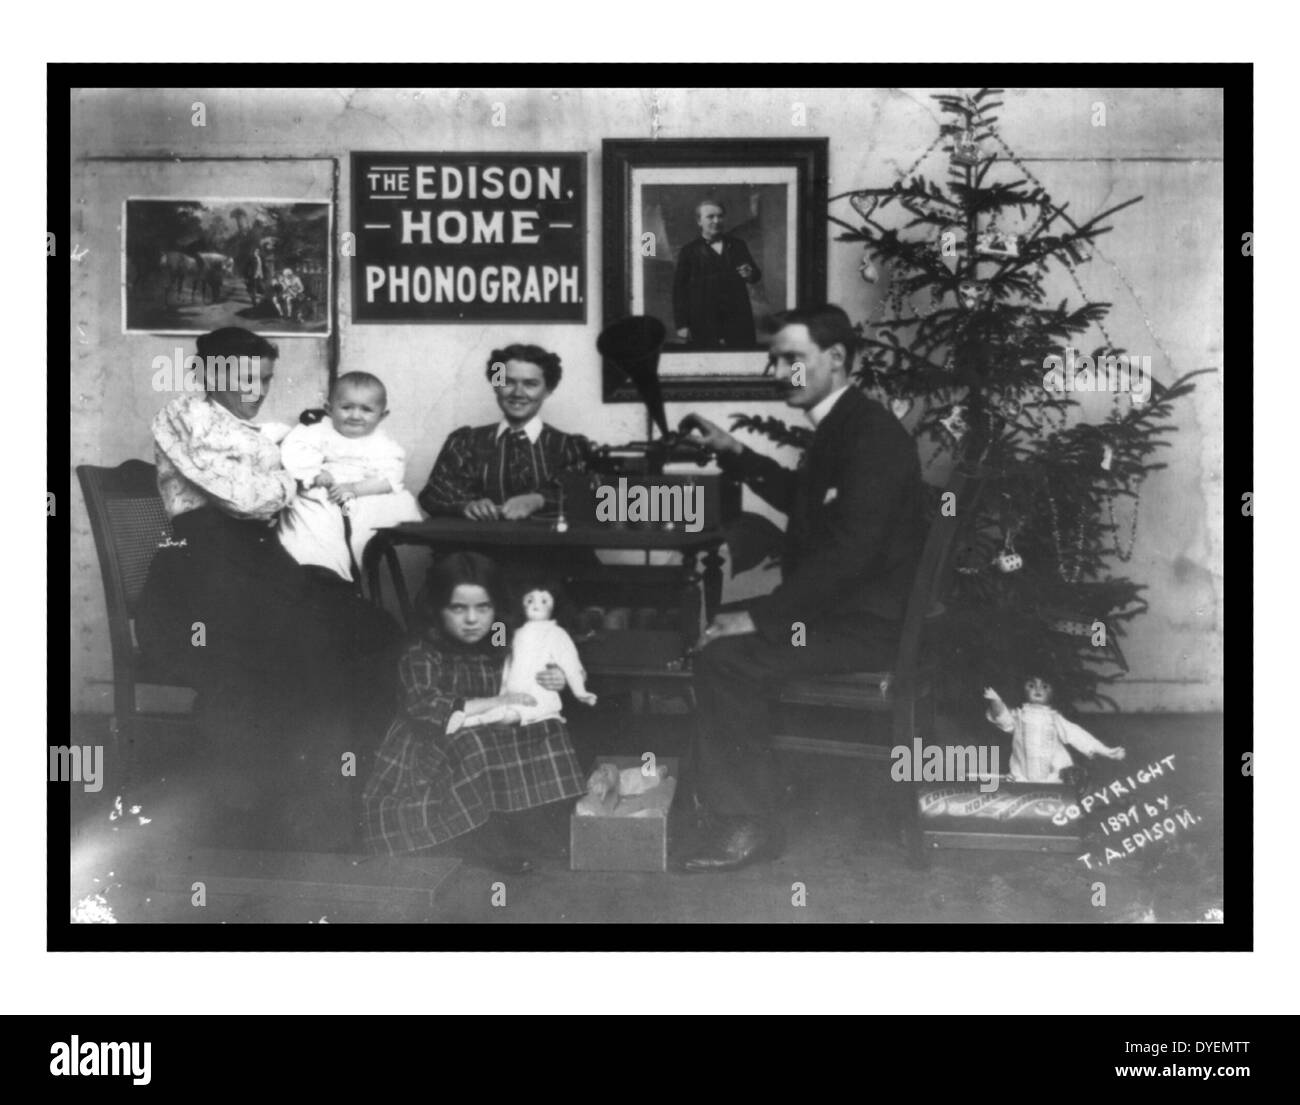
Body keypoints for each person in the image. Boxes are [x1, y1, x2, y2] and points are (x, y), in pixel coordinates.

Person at [678, 305, 928, 871]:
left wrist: (764, 617)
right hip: (849, 613)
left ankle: (748, 823)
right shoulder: (845, 425)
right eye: (774, 361)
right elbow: (807, 503)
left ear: (836, 359)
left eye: (792, 359)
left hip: (867, 627)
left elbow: (851, 553)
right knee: (709, 626)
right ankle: (723, 796)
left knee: (725, 655)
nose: (777, 373)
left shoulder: (871, 435)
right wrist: (736, 454)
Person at [135, 327, 399, 851]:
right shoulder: (182, 416)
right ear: (210, 374)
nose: (256, 390)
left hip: (255, 560)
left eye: (265, 379)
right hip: (198, 572)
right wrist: (291, 479)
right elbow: (245, 500)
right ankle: (273, 814)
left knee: (375, 632)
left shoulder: (263, 431)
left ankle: (342, 800)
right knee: (299, 647)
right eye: (243, 379)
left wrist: (293, 470)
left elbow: (311, 476)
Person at [361, 552, 586, 873]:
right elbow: (426, 707)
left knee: (545, 730)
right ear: (438, 610)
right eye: (458, 608)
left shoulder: (493, 643)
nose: (471, 620)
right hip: (431, 745)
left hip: (484, 726)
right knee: (473, 743)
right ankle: (481, 839)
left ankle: (530, 826)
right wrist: (493, 704)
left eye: (483, 608)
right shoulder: (423, 653)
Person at [418, 344, 591, 520]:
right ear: (496, 385)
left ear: (548, 390)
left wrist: (539, 500)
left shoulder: (570, 447)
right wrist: (466, 505)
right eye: (508, 382)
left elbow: (589, 498)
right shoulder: (466, 442)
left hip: (556, 547)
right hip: (475, 545)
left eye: (531, 384)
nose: (518, 393)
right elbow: (433, 494)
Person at [277, 371, 420, 582]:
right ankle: (322, 569)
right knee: (314, 520)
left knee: (364, 528)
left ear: (382, 415)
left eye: (366, 410)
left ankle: (353, 571)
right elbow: (295, 452)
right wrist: (315, 474)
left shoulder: (383, 444)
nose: (355, 415)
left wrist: (355, 488)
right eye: (346, 408)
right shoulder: (317, 431)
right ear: (329, 409)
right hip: (326, 491)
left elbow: (390, 477)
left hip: (363, 494)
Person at [672, 198, 763, 348]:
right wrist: (682, 325)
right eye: (710, 217)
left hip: (738, 318)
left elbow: (756, 276)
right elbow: (679, 290)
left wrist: (750, 274)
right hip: (703, 320)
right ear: (699, 221)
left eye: (720, 216)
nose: (716, 220)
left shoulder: (738, 245)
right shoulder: (689, 251)